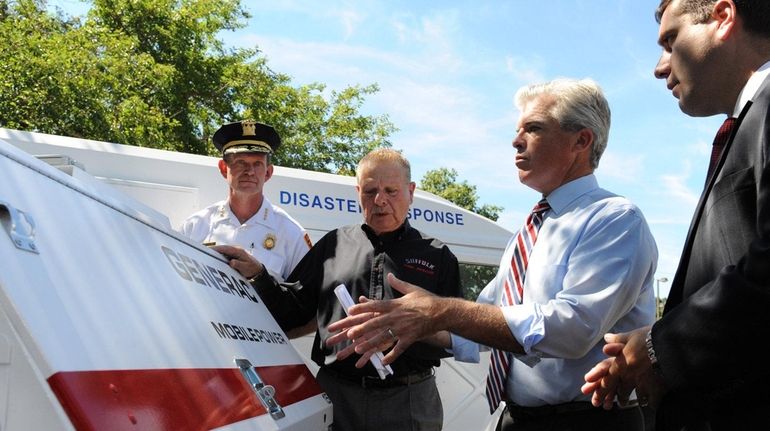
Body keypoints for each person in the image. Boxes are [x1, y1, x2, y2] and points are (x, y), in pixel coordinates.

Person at [328, 78, 658, 431]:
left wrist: (440, 309)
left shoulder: (614, 219)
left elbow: (572, 329)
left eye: (533, 128)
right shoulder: (530, 231)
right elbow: (483, 322)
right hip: (516, 417)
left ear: (581, 140)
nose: (516, 141)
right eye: (518, 130)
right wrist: (410, 324)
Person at [582, 1, 770, 430]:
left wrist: (657, 347)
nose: (658, 67)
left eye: (670, 41)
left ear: (723, 17)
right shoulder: (747, 124)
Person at [214, 148, 462, 431]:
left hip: (407, 399)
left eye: (391, 191)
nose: (380, 200)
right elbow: (292, 309)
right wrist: (259, 274)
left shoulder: (438, 256)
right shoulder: (333, 245)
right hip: (338, 396)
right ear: (358, 191)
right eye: (370, 191)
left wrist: (407, 328)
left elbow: (458, 334)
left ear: (411, 191)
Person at [181, 120, 311, 281]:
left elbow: (305, 299)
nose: (249, 171)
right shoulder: (196, 226)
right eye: (240, 162)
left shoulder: (291, 233)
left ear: (268, 172)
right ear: (223, 168)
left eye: (257, 164)